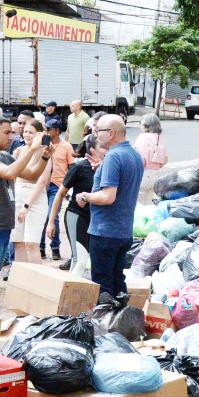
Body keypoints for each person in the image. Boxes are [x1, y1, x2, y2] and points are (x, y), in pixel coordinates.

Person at [0, 115, 50, 312]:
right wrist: (32, 149)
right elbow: (11, 173)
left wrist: (45, 156)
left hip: (2, 227)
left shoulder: (5, 156)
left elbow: (31, 174)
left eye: (12, 133)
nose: (11, 137)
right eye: (7, 132)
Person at [76, 114, 143, 300]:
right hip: (123, 231)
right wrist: (102, 170)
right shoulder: (134, 154)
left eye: (98, 131)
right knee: (117, 281)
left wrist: (85, 196)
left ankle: (105, 324)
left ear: (111, 133)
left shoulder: (113, 156)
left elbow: (108, 197)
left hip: (106, 231)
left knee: (103, 284)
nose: (95, 135)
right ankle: (120, 322)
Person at [50, 137, 102, 274]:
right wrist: (51, 222)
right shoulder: (79, 167)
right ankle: (69, 293)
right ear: (93, 150)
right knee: (79, 260)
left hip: (95, 219)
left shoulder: (106, 168)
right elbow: (60, 194)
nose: (107, 150)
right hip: (77, 215)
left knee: (90, 260)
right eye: (103, 147)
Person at [13, 118, 54, 265]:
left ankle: (36, 280)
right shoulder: (18, 151)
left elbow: (42, 181)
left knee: (31, 242)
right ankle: (19, 278)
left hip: (35, 198)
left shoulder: (45, 152)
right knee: (18, 242)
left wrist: (27, 205)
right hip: (18, 193)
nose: (27, 135)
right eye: (25, 132)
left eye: (31, 132)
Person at [42, 116, 75, 259]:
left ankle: (55, 247)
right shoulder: (43, 144)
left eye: (48, 130)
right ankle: (40, 248)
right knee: (41, 216)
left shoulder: (66, 146)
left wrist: (68, 187)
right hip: (42, 185)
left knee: (52, 215)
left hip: (57, 186)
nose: (46, 132)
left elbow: (72, 167)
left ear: (56, 131)